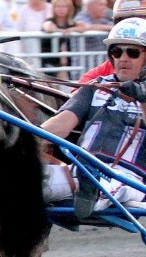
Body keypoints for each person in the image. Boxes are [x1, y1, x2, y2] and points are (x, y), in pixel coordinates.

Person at [40, 17, 146, 219]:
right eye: (117, 51)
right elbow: (61, 125)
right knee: (21, 180)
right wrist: (24, 140)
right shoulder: (96, 87)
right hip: (80, 170)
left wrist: (142, 98)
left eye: (132, 52)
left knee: (109, 185)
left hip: (130, 179)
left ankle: (92, 190)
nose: (123, 58)